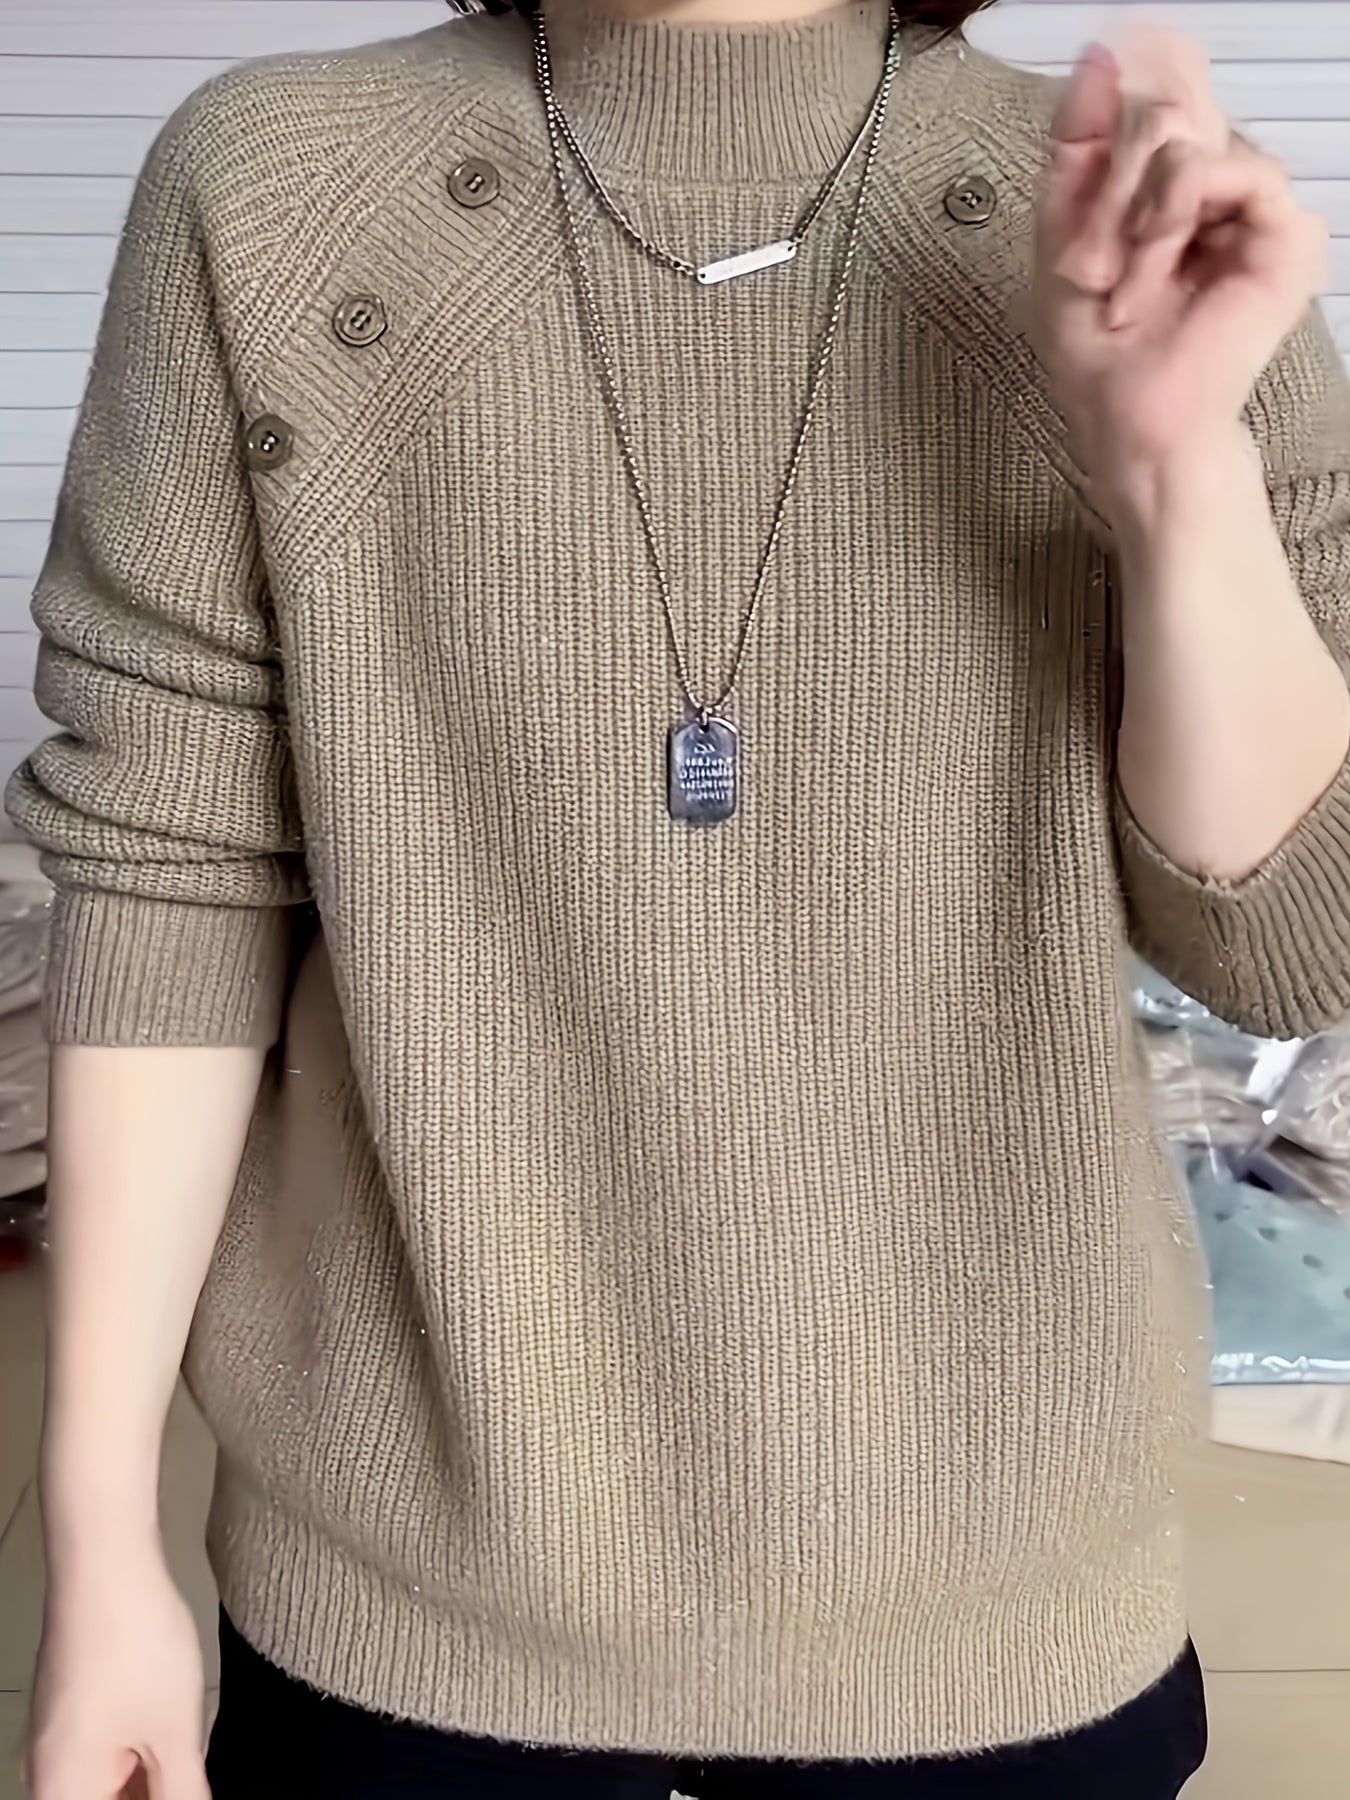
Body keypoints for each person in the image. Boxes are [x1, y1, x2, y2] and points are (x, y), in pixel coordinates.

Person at [10, 0, 1350, 1794]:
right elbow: (166, 884)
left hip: (1003, 1615)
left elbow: (1287, 942)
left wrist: (1173, 470)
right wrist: (100, 1542)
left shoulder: (1120, 210)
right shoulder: (269, 183)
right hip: (394, 1620)